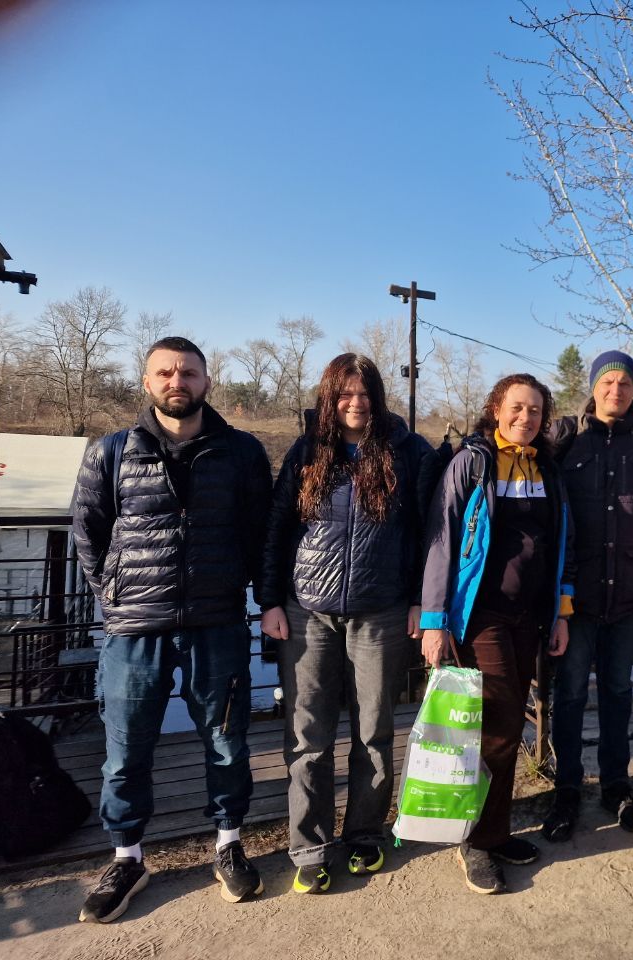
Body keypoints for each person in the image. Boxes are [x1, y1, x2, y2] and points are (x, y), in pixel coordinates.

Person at [72, 337, 273, 922]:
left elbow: (261, 533)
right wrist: (113, 595)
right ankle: (127, 857)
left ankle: (228, 843)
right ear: (147, 382)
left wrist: (257, 595)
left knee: (226, 740)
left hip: (217, 620)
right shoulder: (111, 451)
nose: (175, 381)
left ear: (206, 381)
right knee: (125, 750)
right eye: (164, 372)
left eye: (187, 372)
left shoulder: (241, 452)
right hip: (135, 628)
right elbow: (87, 530)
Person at [258, 353, 441, 894]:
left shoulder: (410, 452)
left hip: (381, 610)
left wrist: (420, 601)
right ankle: (310, 846)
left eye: (364, 393)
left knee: (374, 732)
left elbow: (429, 534)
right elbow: (276, 528)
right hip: (307, 610)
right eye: (344, 394)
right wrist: (269, 601)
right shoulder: (308, 451)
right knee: (307, 735)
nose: (355, 403)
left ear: (378, 398)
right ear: (329, 398)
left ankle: (364, 833)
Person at [419, 373, 575, 894]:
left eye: (535, 410)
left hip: (530, 616)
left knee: (504, 723)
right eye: (517, 407)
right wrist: (434, 621)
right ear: (496, 409)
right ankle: (475, 840)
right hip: (481, 615)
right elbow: (441, 539)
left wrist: (562, 612)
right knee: (499, 725)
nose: (526, 417)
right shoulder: (474, 462)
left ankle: (494, 830)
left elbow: (563, 544)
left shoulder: (547, 468)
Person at [543, 350, 633, 840]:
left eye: (625, 383)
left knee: (618, 691)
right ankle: (567, 788)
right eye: (607, 382)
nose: (616, 391)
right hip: (575, 597)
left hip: (629, 596)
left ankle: (616, 785)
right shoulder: (566, 441)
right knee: (571, 693)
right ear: (593, 387)